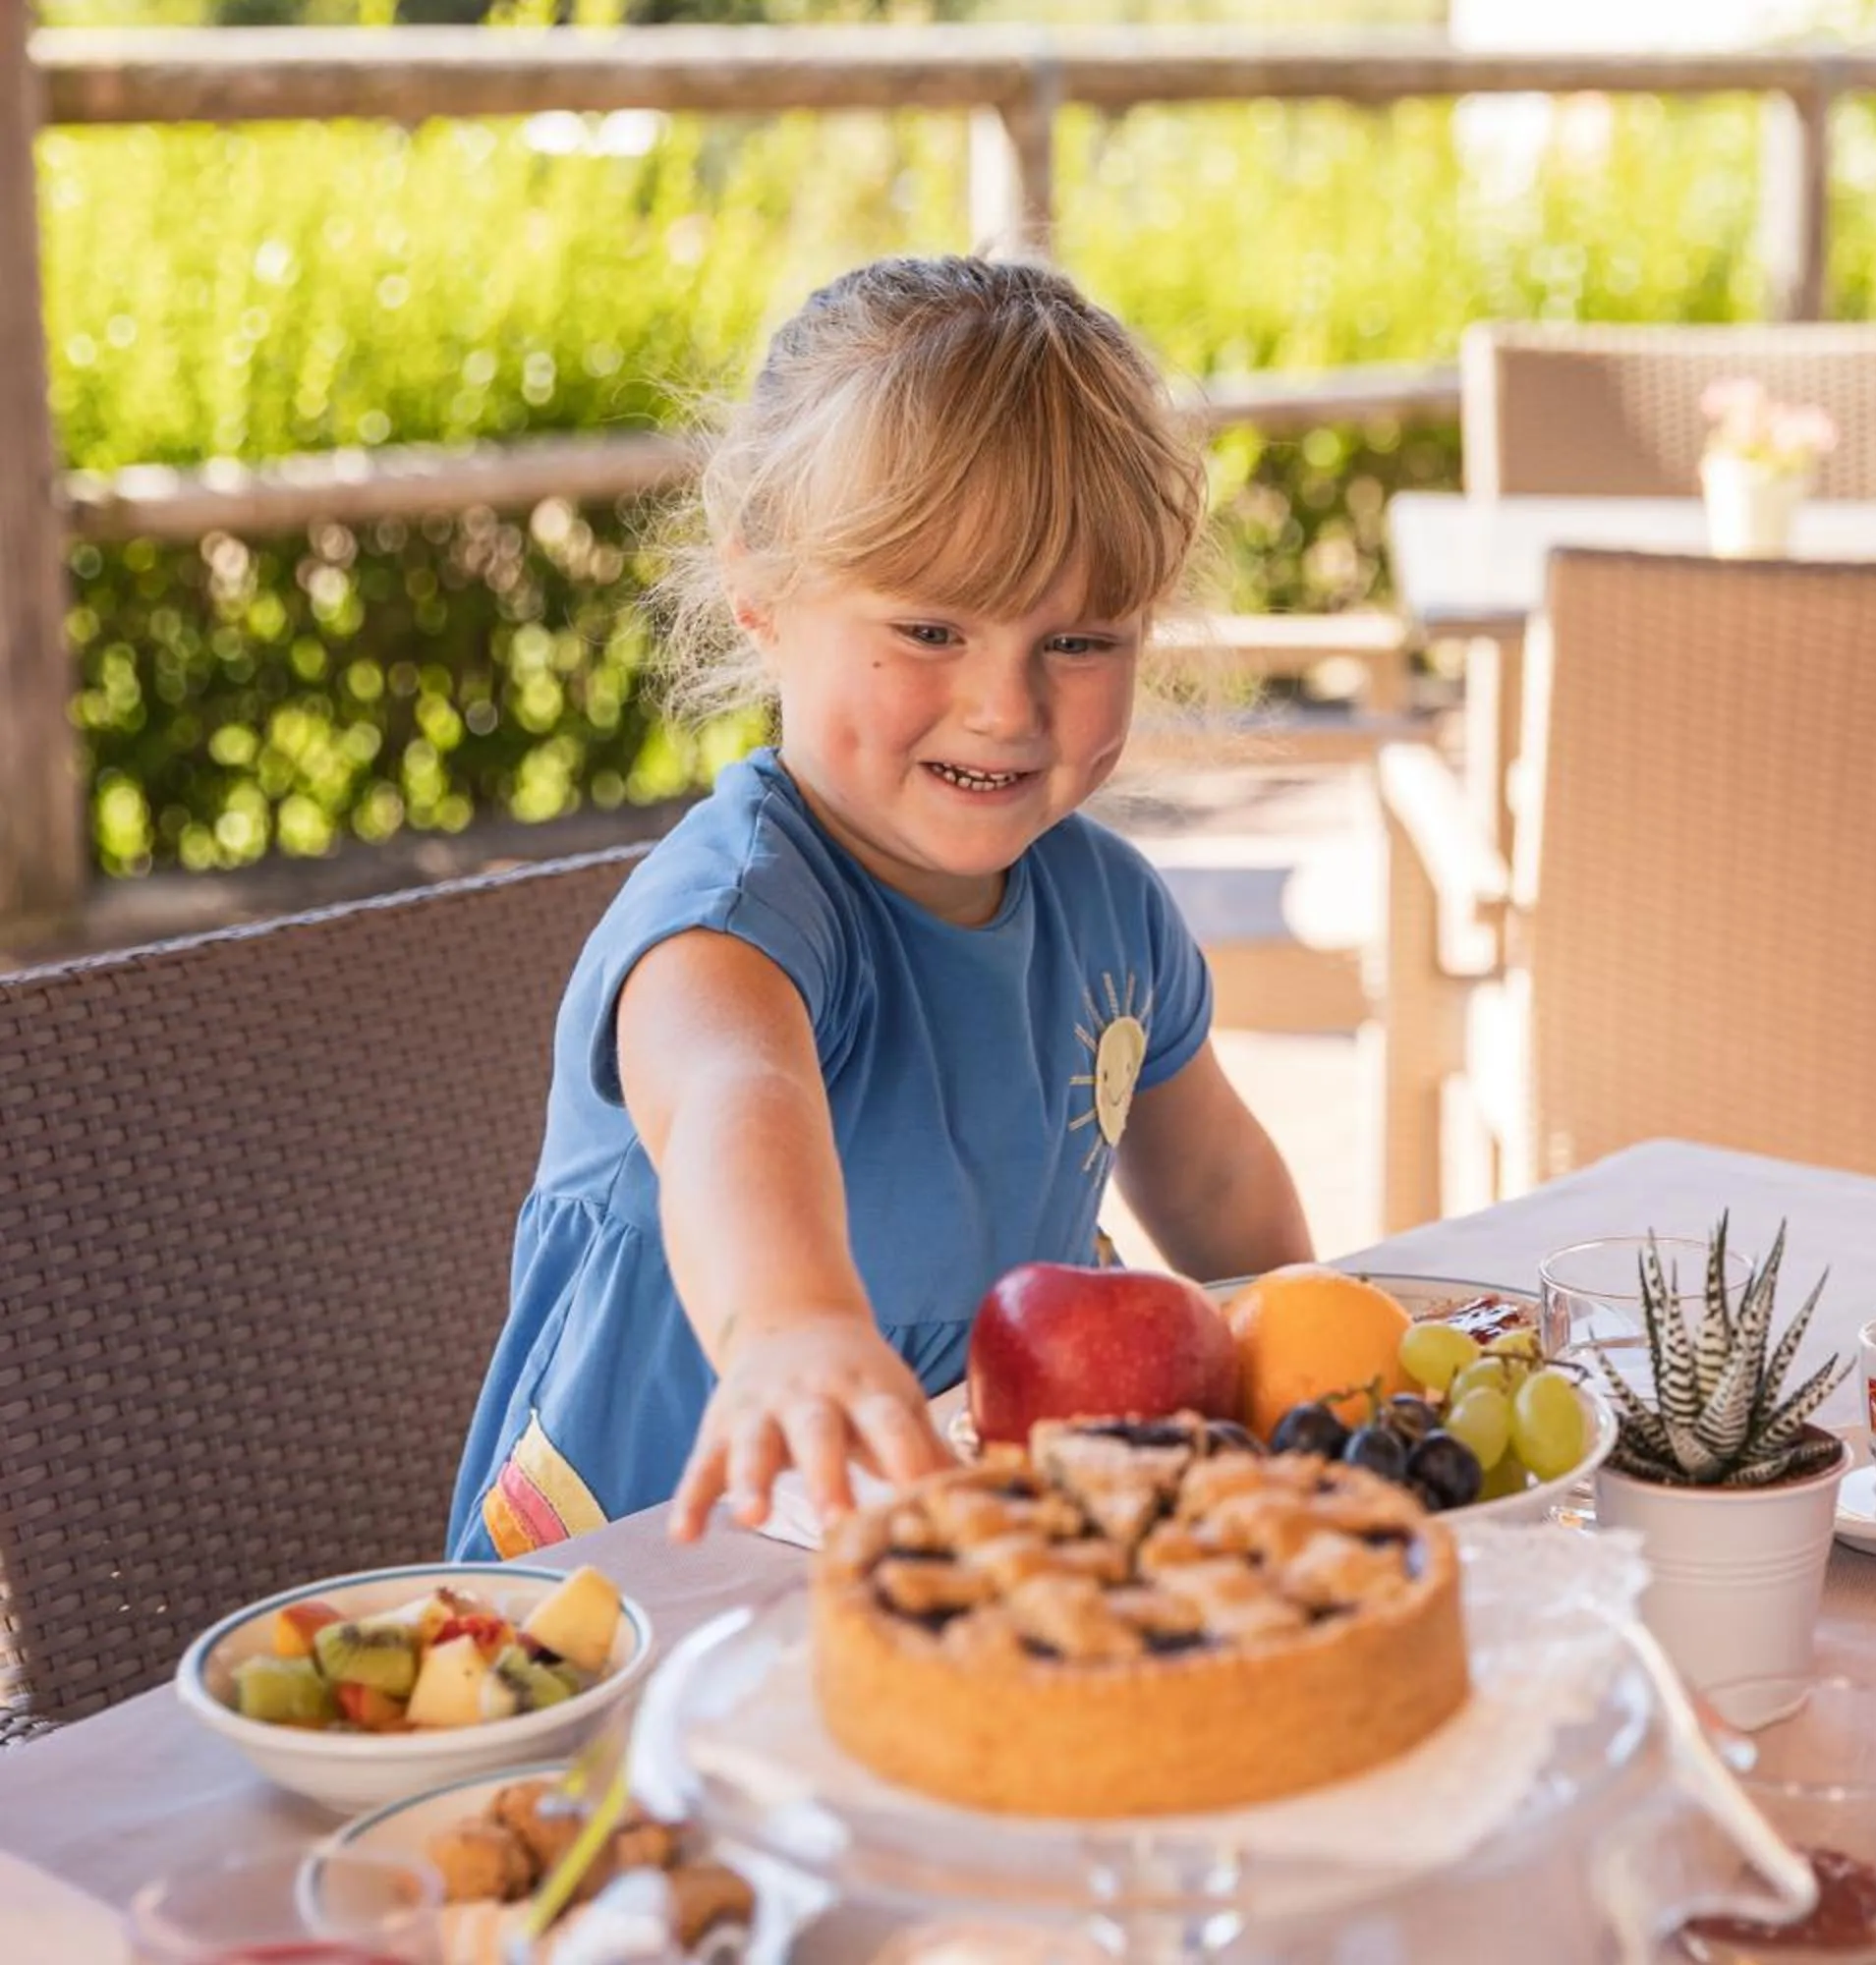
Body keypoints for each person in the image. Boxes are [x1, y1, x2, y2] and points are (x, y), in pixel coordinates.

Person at [447, 256, 1314, 1560]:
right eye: (929, 630)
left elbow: (1224, 1186)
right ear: (761, 592)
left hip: (956, 1548)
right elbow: (736, 1103)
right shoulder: (736, 921)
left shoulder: (1111, 912)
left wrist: (1317, 1358)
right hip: (648, 1564)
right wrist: (795, 1334)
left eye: (1078, 642)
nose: (1004, 708)